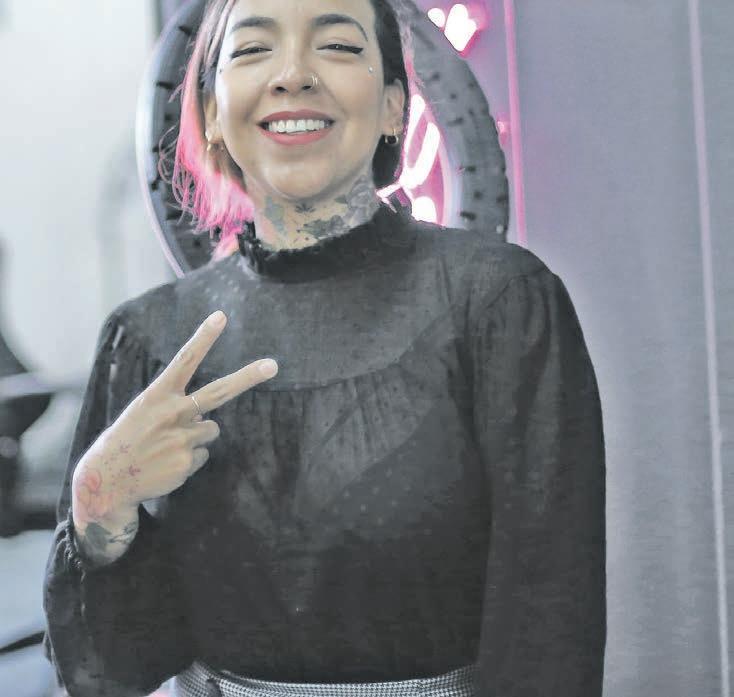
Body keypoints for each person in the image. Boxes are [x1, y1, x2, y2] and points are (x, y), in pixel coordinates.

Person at [42, 0, 607, 695]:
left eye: (337, 46)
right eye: (252, 50)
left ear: (395, 107)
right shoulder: (146, 338)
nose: (293, 74)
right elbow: (107, 674)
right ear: (212, 113)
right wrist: (99, 510)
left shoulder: (500, 302)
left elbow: (550, 625)